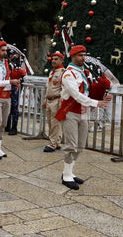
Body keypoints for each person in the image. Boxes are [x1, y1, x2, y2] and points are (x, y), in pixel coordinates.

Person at [58, 45, 111, 190]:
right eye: (80, 55)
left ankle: (69, 171)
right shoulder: (69, 74)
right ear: (72, 56)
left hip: (83, 112)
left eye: (84, 55)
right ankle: (66, 175)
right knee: (71, 144)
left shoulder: (84, 72)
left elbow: (89, 91)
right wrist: (97, 103)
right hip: (70, 112)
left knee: (80, 145)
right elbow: (76, 95)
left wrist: (103, 95)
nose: (83, 58)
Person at [43, 52, 65, 152]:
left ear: (61, 60)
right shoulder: (52, 72)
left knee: (55, 123)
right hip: (49, 100)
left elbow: (63, 89)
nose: (53, 61)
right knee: (50, 123)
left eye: (56, 59)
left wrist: (61, 103)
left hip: (57, 100)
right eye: (53, 59)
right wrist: (45, 100)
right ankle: (57, 142)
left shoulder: (63, 72)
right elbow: (49, 87)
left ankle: (52, 144)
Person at [5, 50, 21, 135]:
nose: (11, 56)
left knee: (14, 108)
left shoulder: (16, 64)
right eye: (10, 55)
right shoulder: (6, 63)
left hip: (14, 87)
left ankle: (14, 127)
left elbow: (21, 75)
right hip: (7, 87)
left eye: (12, 55)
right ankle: (7, 125)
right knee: (7, 107)